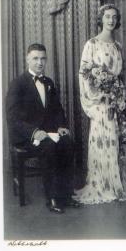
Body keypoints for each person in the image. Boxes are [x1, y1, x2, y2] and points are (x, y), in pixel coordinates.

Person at [6, 43, 79, 213]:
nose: (40, 62)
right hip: (26, 136)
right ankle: (52, 198)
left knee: (68, 143)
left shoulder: (48, 82)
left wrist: (61, 126)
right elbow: (12, 117)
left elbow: (57, 109)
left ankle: (66, 195)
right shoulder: (17, 84)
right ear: (27, 59)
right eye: (35, 58)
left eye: (43, 59)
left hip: (48, 132)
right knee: (49, 148)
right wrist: (33, 132)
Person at [73, 4, 126, 204]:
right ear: (101, 19)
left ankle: (119, 185)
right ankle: (103, 185)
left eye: (114, 17)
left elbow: (122, 76)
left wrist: (121, 98)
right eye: (107, 16)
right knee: (105, 141)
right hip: (101, 103)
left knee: (120, 141)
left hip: (117, 100)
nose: (111, 20)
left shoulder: (118, 46)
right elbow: (84, 74)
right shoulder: (91, 44)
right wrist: (99, 95)